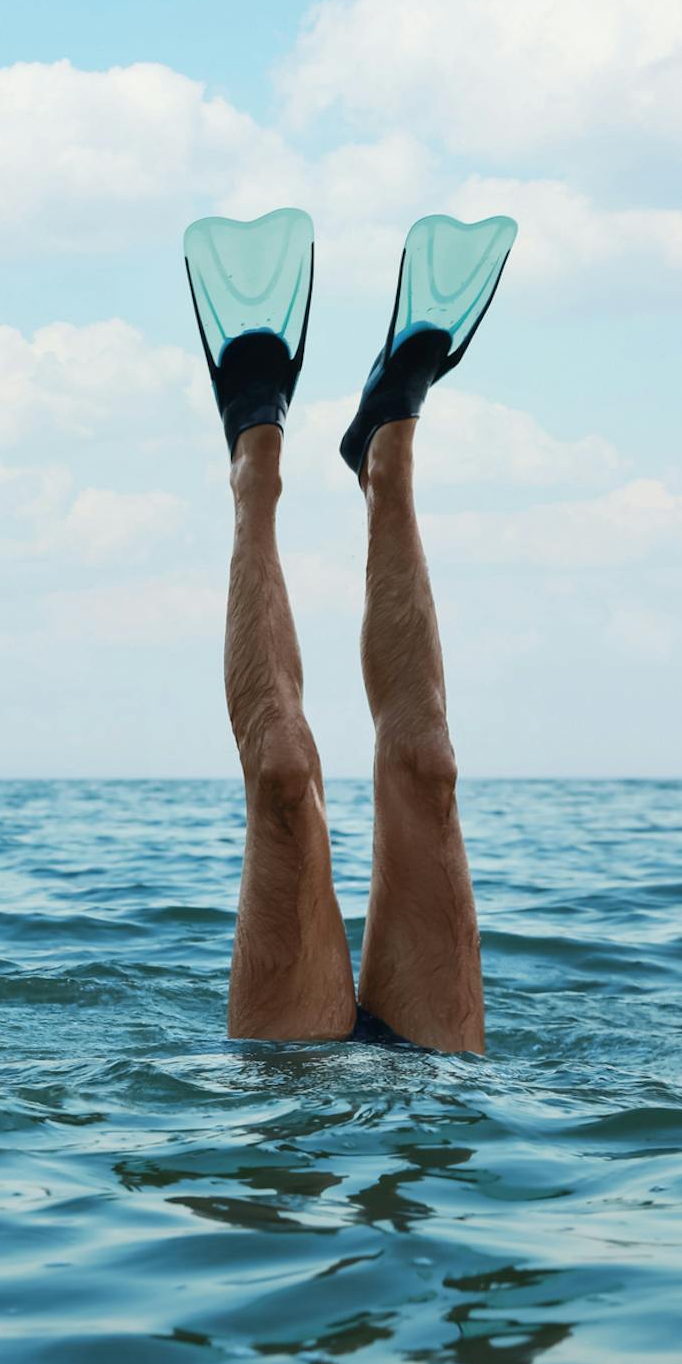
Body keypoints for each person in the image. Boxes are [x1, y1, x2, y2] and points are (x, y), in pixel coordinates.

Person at [183, 210, 517, 1052]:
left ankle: (375, 450)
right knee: (283, 774)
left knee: (429, 769)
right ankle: (265, 461)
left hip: (354, 1076)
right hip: (329, 1077)